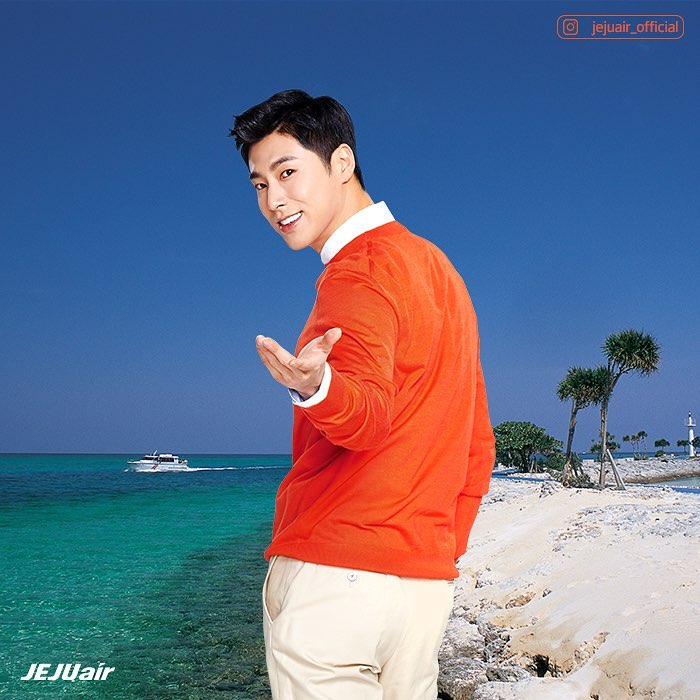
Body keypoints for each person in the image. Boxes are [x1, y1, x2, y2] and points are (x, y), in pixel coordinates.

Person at [229, 89, 495, 700]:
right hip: (421, 588)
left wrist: (316, 387)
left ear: (342, 162)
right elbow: (477, 444)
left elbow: (366, 416)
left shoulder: (356, 270)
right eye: (259, 184)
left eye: (287, 172)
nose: (273, 200)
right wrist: (436, 552)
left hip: (335, 578)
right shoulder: (441, 272)